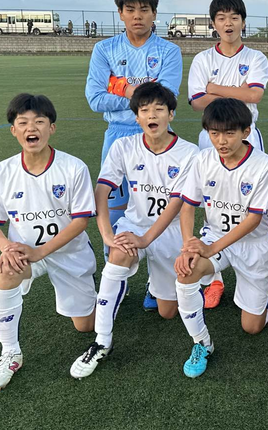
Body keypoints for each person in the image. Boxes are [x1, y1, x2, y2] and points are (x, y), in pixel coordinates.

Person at [69, 82, 198, 378]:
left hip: (170, 232)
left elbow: (177, 204)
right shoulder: (123, 146)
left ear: (171, 115)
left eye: (159, 109)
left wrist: (146, 239)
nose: (152, 115)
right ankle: (102, 341)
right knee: (118, 254)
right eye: (144, 110)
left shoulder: (189, 153)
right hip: (134, 225)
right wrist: (108, 236)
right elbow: (102, 191)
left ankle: (160, 283)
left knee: (167, 312)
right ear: (136, 117)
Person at [0, 94, 97, 390]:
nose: (31, 128)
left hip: (68, 253)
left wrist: (40, 251)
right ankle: (10, 353)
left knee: (86, 326)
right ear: (14, 130)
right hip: (25, 254)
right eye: (23, 123)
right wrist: (7, 248)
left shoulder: (73, 168)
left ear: (51, 128)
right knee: (6, 269)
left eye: (39, 122)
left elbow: (80, 221)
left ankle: (103, 296)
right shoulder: (1, 172)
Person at [85, 0, 182, 312]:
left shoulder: (168, 51)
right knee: (113, 210)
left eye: (144, 9)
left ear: (155, 13)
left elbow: (166, 98)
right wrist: (140, 95)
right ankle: (117, 278)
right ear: (120, 13)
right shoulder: (105, 50)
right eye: (130, 10)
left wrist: (121, 87)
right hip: (117, 137)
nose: (137, 16)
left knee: (159, 208)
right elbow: (95, 98)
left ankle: (158, 282)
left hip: (158, 139)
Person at [171, 98, 268, 378]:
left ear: (246, 132)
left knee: (252, 327)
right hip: (215, 236)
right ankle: (201, 343)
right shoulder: (202, 159)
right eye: (214, 133)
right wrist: (188, 246)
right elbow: (187, 206)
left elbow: (253, 219)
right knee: (186, 271)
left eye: (229, 133)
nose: (221, 141)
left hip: (252, 244)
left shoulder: (263, 164)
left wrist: (210, 248)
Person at [186, 0, 268, 308]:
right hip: (210, 137)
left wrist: (214, 89)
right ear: (213, 23)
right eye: (221, 18)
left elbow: (255, 97)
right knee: (212, 201)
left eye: (234, 17)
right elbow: (197, 102)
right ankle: (215, 278)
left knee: (250, 204)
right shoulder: (203, 59)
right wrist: (238, 93)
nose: (228, 23)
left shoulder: (256, 58)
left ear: (243, 22)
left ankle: (255, 264)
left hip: (246, 137)